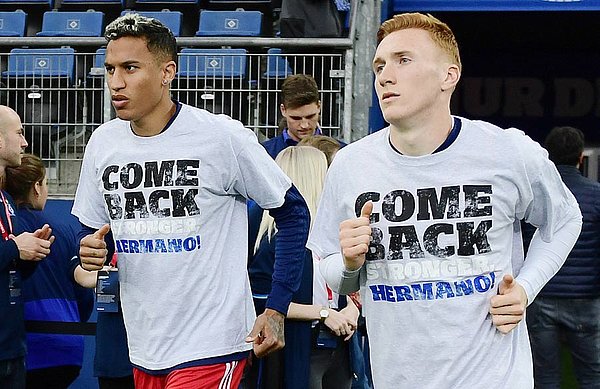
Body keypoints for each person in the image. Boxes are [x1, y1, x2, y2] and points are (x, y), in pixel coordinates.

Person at [306, 12, 583, 388]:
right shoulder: (350, 165)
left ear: (448, 76)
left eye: (404, 60)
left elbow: (565, 219)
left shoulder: (507, 151)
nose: (385, 75)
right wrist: (351, 263)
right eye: (379, 65)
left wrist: (525, 288)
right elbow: (331, 271)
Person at [71, 14, 309, 389]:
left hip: (212, 343)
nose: (116, 82)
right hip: (144, 346)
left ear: (167, 72)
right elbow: (94, 235)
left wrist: (276, 307)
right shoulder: (103, 143)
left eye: (130, 68)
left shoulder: (220, 136)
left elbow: (294, 211)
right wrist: (91, 253)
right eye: (110, 69)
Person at [249, 146, 358, 389]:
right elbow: (263, 301)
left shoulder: (333, 232)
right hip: (298, 347)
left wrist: (352, 307)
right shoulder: (270, 239)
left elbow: (353, 278)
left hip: (340, 345)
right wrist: (322, 313)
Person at [5, 153, 94, 389]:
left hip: (22, 348)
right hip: (67, 348)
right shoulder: (62, 231)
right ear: (36, 187)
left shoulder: (9, 231)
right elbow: (84, 297)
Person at [525, 126, 600, 388]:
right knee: (591, 377)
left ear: (548, 156)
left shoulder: (534, 197)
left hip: (541, 296)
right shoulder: (597, 195)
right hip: (585, 300)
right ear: (581, 157)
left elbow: (524, 245)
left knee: (545, 377)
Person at [0, 105, 54, 389]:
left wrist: (31, 254)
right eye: (19, 133)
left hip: (11, 347)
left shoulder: (5, 199)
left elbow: (11, 267)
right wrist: (13, 249)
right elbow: (8, 250)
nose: (25, 142)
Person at [261, 74, 343, 159]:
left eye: (310, 116)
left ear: (319, 106)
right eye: (296, 118)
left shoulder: (341, 153)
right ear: (283, 110)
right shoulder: (264, 154)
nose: (304, 125)